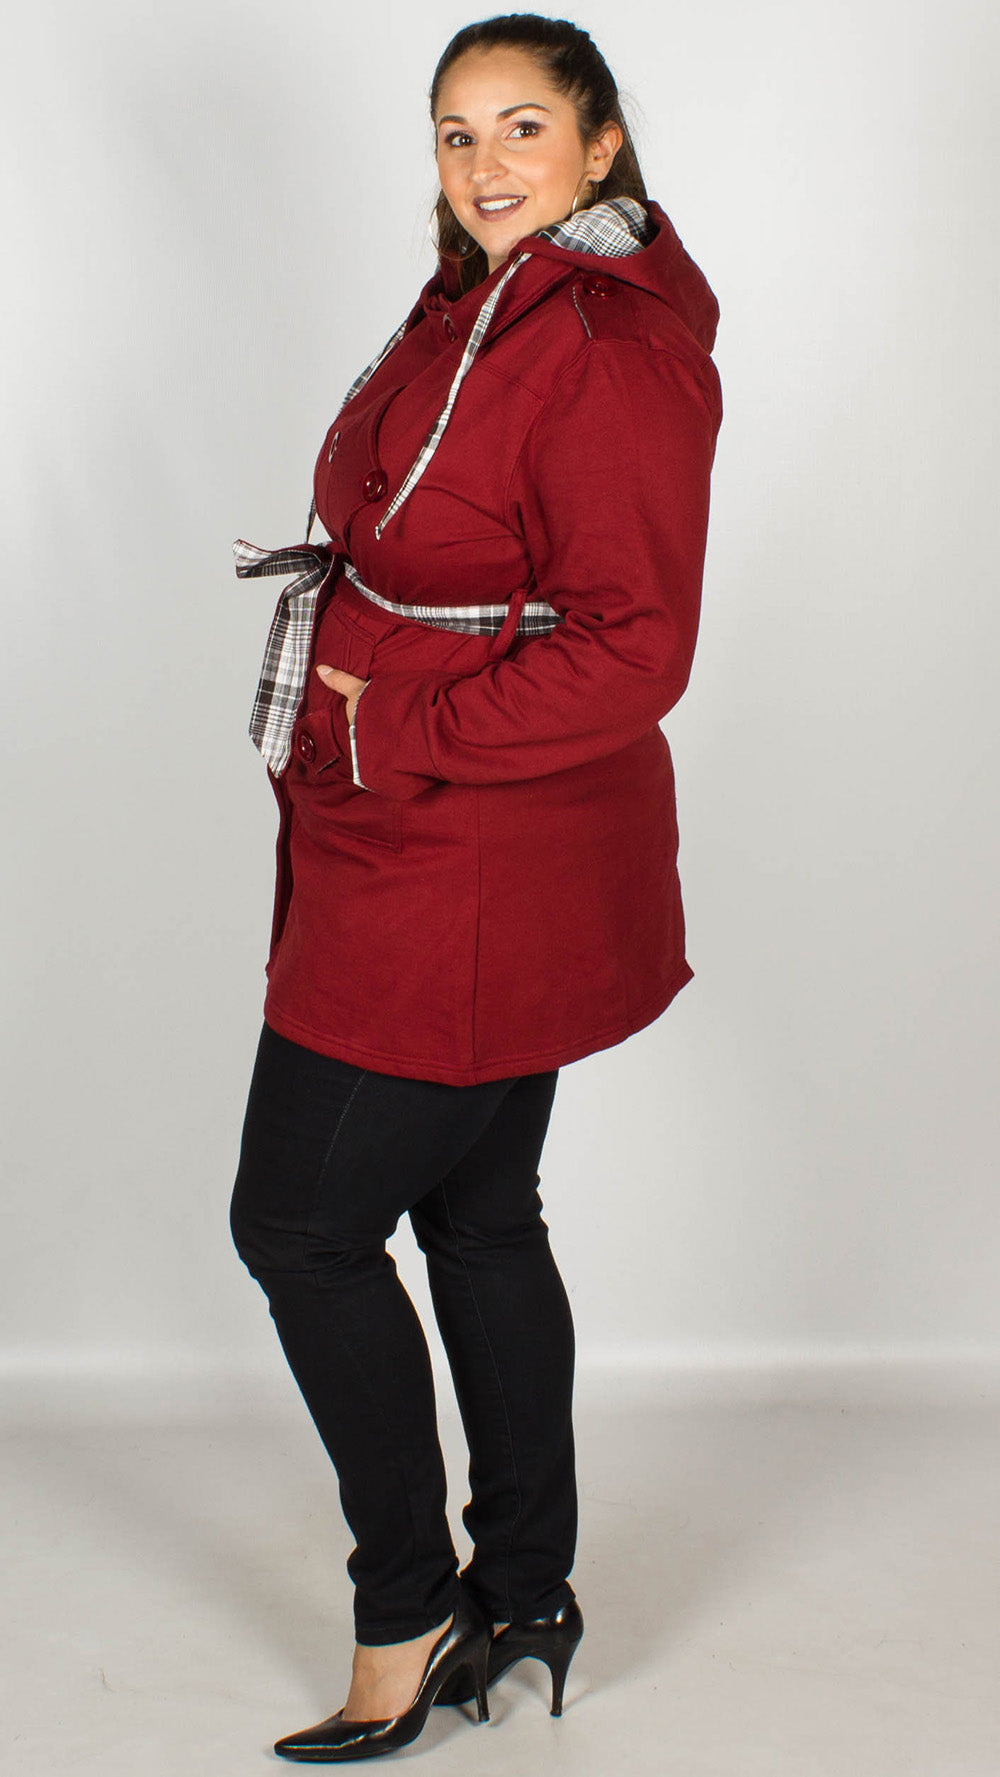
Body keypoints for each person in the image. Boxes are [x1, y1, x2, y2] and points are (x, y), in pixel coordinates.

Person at [229, 11, 722, 1763]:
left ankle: (410, 1601)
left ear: (601, 143)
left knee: (297, 1224)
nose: (485, 162)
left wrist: (393, 725)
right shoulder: (481, 298)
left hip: (470, 846)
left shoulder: (603, 346)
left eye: (523, 127)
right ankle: (526, 1590)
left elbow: (637, 649)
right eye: (455, 131)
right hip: (429, 827)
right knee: (479, 1210)